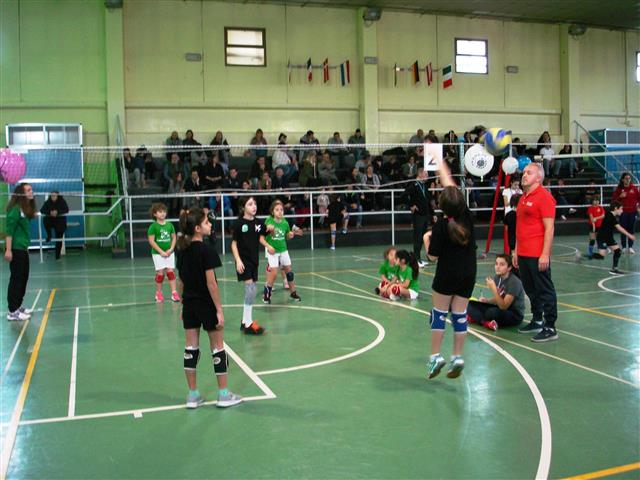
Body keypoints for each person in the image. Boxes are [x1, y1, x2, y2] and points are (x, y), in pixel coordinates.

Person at [176, 207, 242, 409]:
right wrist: (219, 310)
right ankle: (223, 394)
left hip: (190, 305)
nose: (210, 224)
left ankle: (192, 395)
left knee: (191, 349)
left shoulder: (182, 250)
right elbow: (211, 283)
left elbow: (181, 281)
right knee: (218, 348)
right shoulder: (206, 251)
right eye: (206, 222)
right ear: (197, 228)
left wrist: (183, 305)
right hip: (206, 304)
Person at [422, 161, 476, 379]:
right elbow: (450, 185)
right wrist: (440, 162)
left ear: (441, 206)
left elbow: (432, 257)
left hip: (446, 274)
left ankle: (435, 356)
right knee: (460, 315)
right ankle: (457, 357)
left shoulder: (440, 227)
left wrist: (426, 239)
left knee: (439, 314)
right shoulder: (467, 218)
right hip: (468, 273)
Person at [514, 163, 559, 342]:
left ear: (538, 177)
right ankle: (537, 319)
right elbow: (520, 226)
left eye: (529, 173)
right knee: (530, 289)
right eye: (524, 172)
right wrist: (516, 251)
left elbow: (549, 228)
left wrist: (545, 254)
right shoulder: (523, 197)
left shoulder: (544, 197)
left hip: (537, 253)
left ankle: (550, 327)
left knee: (544, 290)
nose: (524, 175)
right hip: (523, 253)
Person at [231, 197, 272, 335]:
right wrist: (238, 260)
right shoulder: (239, 224)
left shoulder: (258, 223)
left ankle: (244, 321)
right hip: (243, 262)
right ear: (243, 208)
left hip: (254, 261)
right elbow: (234, 244)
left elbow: (265, 232)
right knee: (251, 290)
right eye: (250, 204)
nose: (254, 206)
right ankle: (248, 323)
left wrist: (271, 229)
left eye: (254, 203)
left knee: (252, 290)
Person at [467, 254, 525, 331]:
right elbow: (499, 297)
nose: (498, 267)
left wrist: (494, 289)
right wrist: (487, 301)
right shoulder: (497, 277)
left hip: (514, 314)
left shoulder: (514, 282)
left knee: (491, 312)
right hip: (500, 308)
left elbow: (504, 306)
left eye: (502, 265)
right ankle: (486, 323)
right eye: (496, 264)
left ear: (509, 268)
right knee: (470, 304)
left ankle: (477, 319)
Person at [4, 183, 36, 321]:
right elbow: (9, 231)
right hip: (16, 249)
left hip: (23, 249)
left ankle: (17, 306)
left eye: (31, 189)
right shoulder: (15, 209)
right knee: (16, 279)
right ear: (21, 193)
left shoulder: (24, 208)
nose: (31, 192)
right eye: (28, 190)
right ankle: (12, 311)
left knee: (23, 278)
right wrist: (8, 250)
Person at [262, 200, 303, 304]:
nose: (280, 211)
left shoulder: (285, 223)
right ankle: (267, 293)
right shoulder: (269, 221)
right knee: (274, 273)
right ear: (272, 212)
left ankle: (293, 292)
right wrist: (269, 231)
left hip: (283, 250)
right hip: (273, 251)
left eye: (281, 209)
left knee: (289, 272)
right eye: (277, 210)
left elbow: (286, 236)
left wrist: (290, 235)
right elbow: (263, 236)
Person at [591, 201, 636, 274]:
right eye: (621, 209)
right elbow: (619, 228)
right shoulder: (611, 216)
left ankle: (614, 269)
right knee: (601, 255)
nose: (622, 211)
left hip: (609, 237)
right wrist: (630, 235)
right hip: (602, 237)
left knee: (617, 251)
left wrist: (596, 218)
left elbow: (603, 215)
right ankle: (582, 255)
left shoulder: (609, 214)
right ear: (615, 208)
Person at [148, 203, 180, 303]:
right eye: (160, 212)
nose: (163, 213)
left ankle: (174, 293)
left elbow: (174, 237)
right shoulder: (153, 227)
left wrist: (171, 249)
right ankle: (158, 293)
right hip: (158, 254)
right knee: (160, 274)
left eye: (164, 211)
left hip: (169, 253)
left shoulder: (170, 225)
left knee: (170, 272)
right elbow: (151, 241)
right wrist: (161, 252)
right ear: (155, 214)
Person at [406, 167, 436, 267]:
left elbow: (428, 201)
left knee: (422, 236)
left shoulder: (424, 186)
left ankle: (418, 258)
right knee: (417, 237)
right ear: (420, 174)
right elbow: (404, 195)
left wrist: (433, 214)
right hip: (418, 216)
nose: (427, 176)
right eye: (426, 174)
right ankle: (415, 259)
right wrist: (411, 205)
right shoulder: (413, 185)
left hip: (425, 215)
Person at [611, 172, 639, 254]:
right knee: (623, 229)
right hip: (623, 212)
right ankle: (623, 247)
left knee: (631, 229)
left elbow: (639, 198)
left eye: (629, 178)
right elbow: (613, 201)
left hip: (633, 212)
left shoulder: (634, 188)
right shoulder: (619, 189)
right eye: (626, 178)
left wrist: (638, 207)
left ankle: (630, 247)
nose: (628, 180)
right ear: (622, 180)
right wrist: (620, 196)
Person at [40, 191, 69, 260]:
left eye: (54, 196)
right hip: (50, 220)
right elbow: (42, 210)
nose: (53, 197)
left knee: (59, 239)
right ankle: (49, 235)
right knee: (45, 219)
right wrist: (50, 212)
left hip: (60, 222)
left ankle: (57, 255)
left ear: (58, 196)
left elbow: (66, 210)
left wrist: (57, 212)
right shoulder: (47, 202)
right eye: (52, 196)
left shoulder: (62, 201)